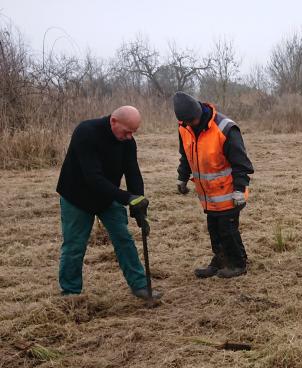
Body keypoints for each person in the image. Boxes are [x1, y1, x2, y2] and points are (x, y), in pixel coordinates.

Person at [56, 106, 160, 300]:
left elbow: (133, 172)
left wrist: (138, 206)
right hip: (77, 196)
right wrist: (125, 198)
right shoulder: (86, 133)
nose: (130, 136)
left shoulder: (127, 141)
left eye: (133, 132)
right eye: (127, 131)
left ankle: (140, 286)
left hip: (107, 196)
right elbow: (93, 178)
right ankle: (70, 293)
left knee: (124, 239)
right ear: (114, 121)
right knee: (74, 246)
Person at [173, 91, 254, 278]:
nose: (190, 124)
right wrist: (182, 177)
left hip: (230, 192)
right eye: (187, 122)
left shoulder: (225, 128)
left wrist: (239, 190)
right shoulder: (184, 127)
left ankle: (238, 263)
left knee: (228, 229)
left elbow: (241, 163)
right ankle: (220, 260)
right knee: (214, 229)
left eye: (193, 120)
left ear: (199, 111)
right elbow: (186, 155)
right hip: (208, 195)